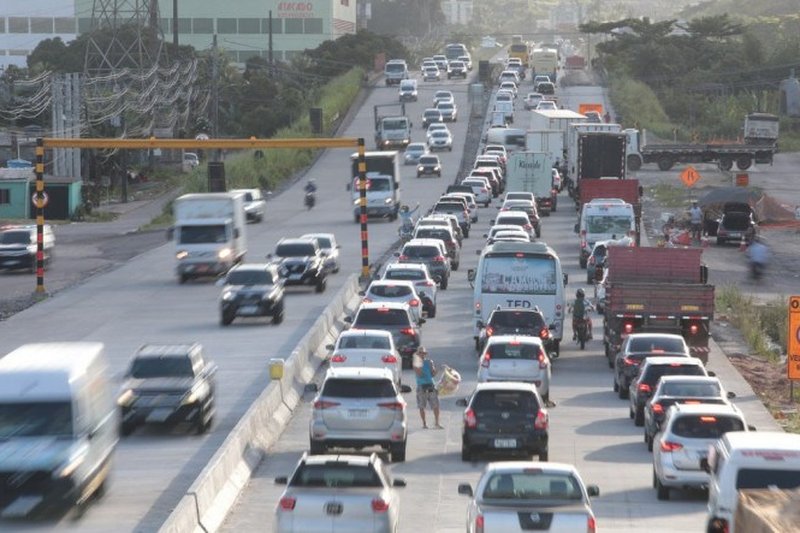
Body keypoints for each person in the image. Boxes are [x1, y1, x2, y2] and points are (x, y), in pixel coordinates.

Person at [414, 346, 442, 429]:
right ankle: (424, 423)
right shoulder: (416, 363)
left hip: (431, 385)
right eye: (420, 353)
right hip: (421, 386)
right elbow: (419, 374)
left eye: (423, 353)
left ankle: (437, 423)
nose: (422, 355)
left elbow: (433, 374)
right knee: (422, 406)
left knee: (435, 405)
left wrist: (435, 370)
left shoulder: (429, 362)